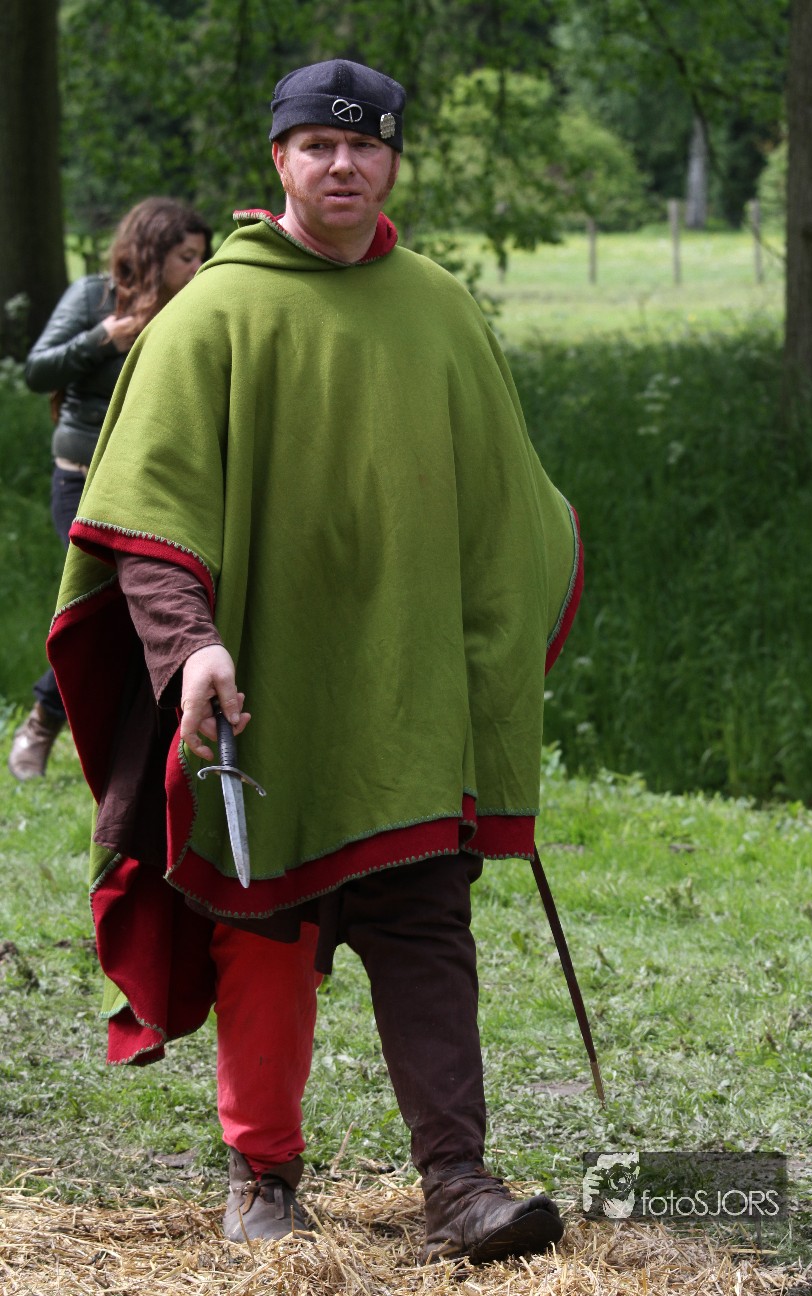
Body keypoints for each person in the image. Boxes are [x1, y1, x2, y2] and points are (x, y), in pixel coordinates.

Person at [47, 60, 584, 1265]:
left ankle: (460, 1187)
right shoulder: (212, 315)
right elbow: (144, 520)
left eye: (367, 145)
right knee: (266, 939)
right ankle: (264, 1178)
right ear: (279, 159)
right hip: (265, 704)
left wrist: (500, 638)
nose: (344, 164)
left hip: (408, 698)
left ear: (393, 159)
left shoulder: (440, 308)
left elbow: (514, 506)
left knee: (427, 926)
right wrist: (191, 649)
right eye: (318, 145)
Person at [8, 198, 212, 781]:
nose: (197, 268)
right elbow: (37, 370)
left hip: (159, 487)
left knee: (147, 606)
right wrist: (101, 339)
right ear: (152, 252)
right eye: (186, 256)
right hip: (82, 483)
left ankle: (140, 746)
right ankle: (42, 723)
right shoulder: (94, 298)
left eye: (201, 257)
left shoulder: (195, 309)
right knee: (113, 600)